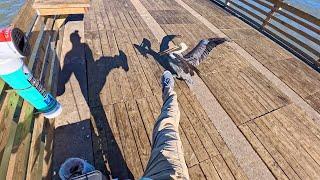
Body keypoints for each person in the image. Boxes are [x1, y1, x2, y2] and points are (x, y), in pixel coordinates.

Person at [141, 70, 190, 180]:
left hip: (165, 171)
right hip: (170, 172)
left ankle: (168, 90)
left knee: (166, 124)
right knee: (167, 124)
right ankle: (169, 91)